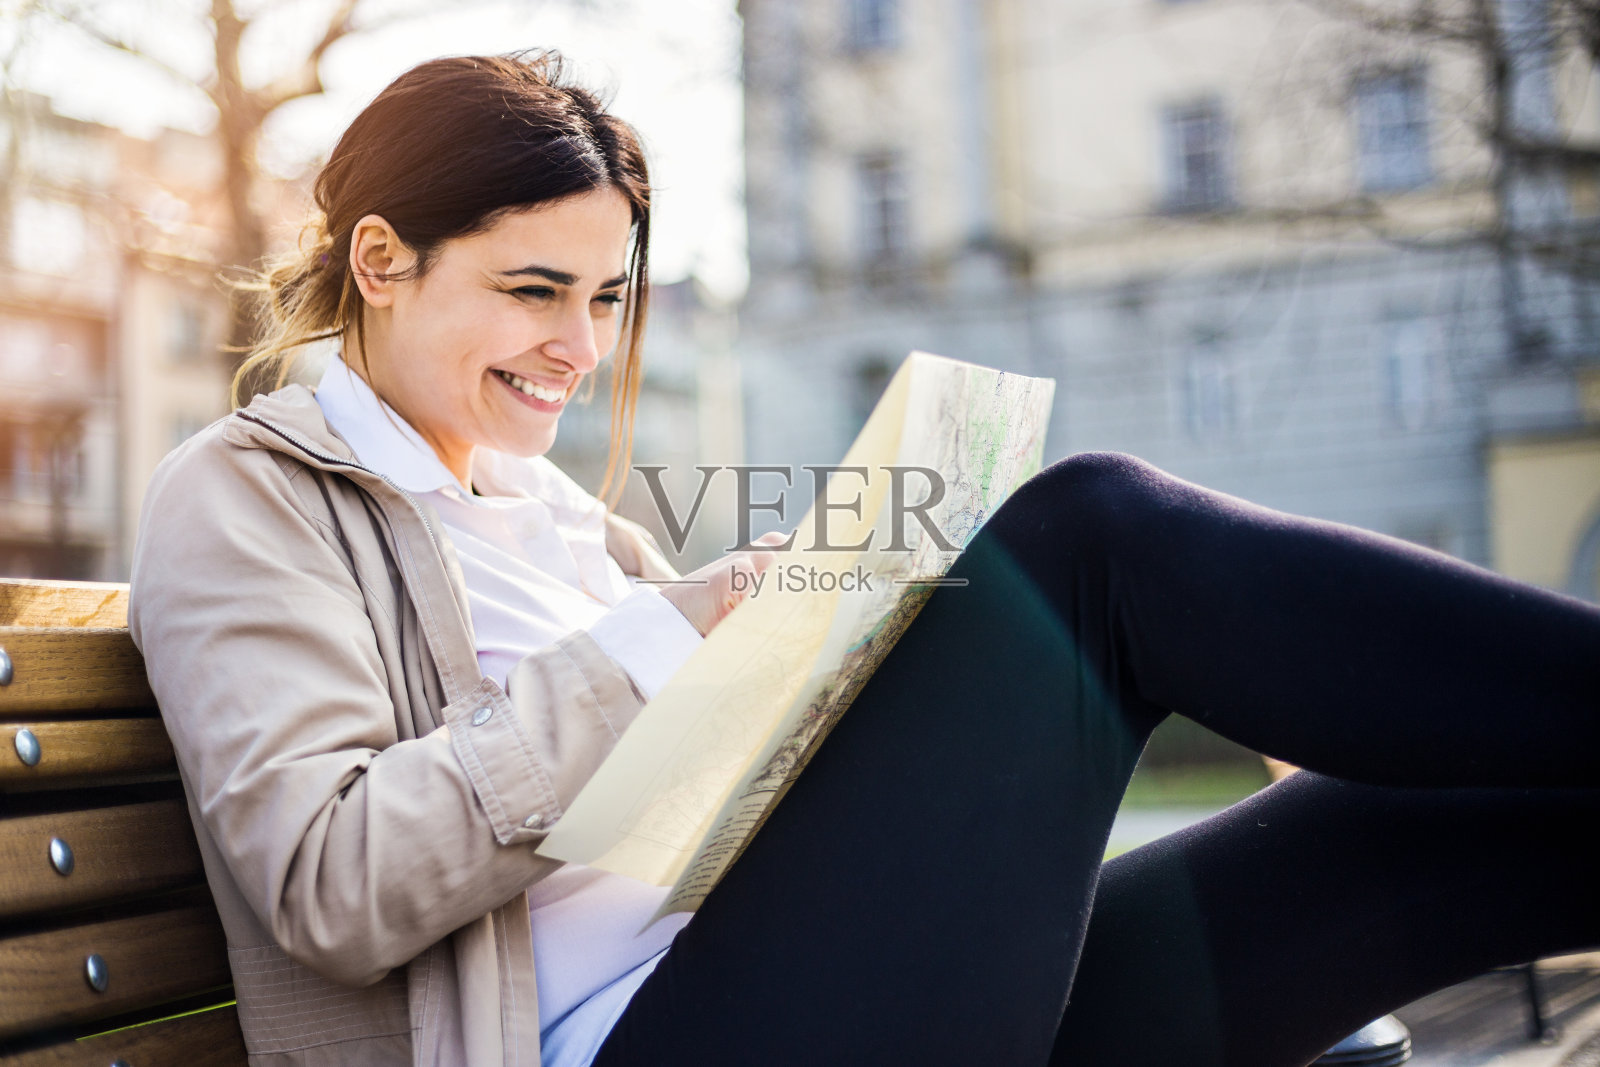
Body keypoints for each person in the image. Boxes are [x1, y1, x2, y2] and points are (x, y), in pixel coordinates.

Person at [127, 51, 1600, 1067]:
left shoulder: (555, 514)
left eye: (607, 298)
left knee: (1411, 820)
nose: (579, 346)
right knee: (1089, 537)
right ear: (382, 261)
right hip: (645, 1038)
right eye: (534, 290)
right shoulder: (248, 497)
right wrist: (666, 639)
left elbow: (679, 799)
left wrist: (825, 657)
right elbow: (331, 882)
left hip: (829, 988)